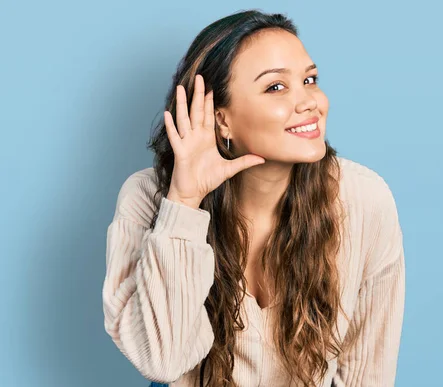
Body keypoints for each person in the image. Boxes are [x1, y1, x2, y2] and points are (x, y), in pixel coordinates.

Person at [102, 9, 405, 387]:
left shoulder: (363, 200)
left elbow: (368, 374)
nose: (310, 101)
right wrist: (183, 202)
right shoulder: (148, 198)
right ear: (221, 118)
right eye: (276, 87)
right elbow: (164, 361)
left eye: (310, 80)